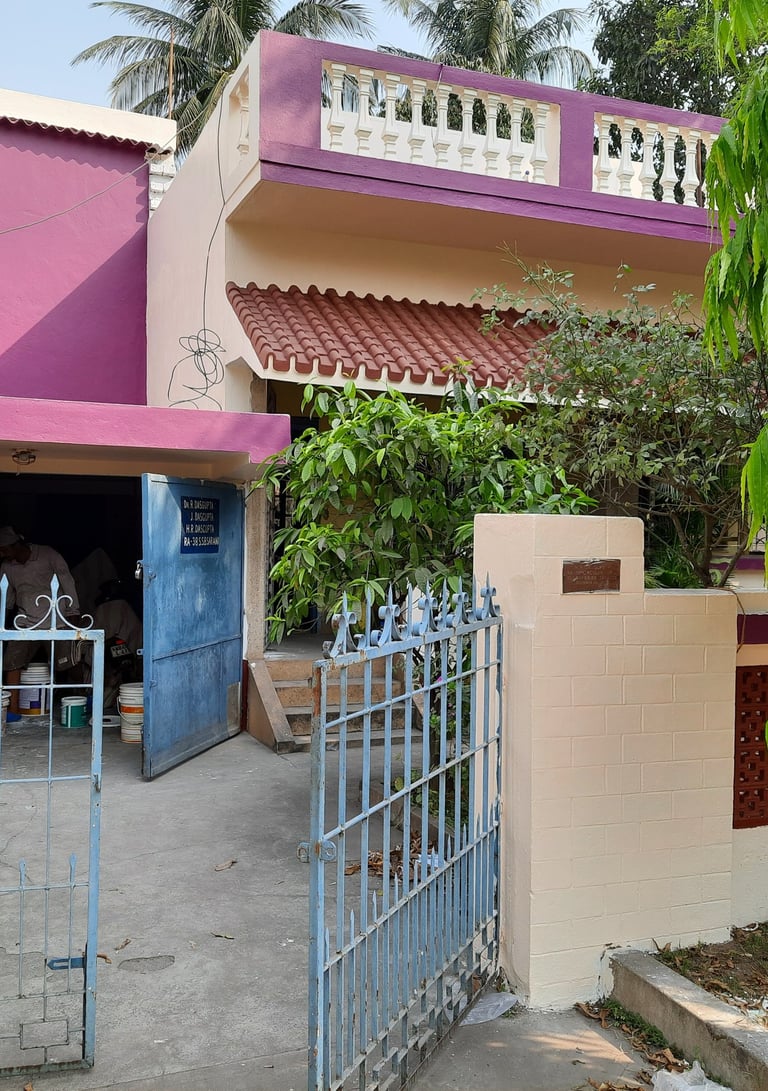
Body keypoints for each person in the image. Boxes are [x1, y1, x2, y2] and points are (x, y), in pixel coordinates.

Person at [0, 527, 81, 710]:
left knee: (68, 663)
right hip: (26, 623)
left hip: (56, 619)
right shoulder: (7, 567)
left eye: (4, 549)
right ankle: (11, 711)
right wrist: (3, 625)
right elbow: (7, 600)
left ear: (16, 545)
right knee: (12, 663)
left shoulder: (47, 554)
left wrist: (73, 613)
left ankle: (84, 698)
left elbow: (67, 582)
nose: (2, 554)